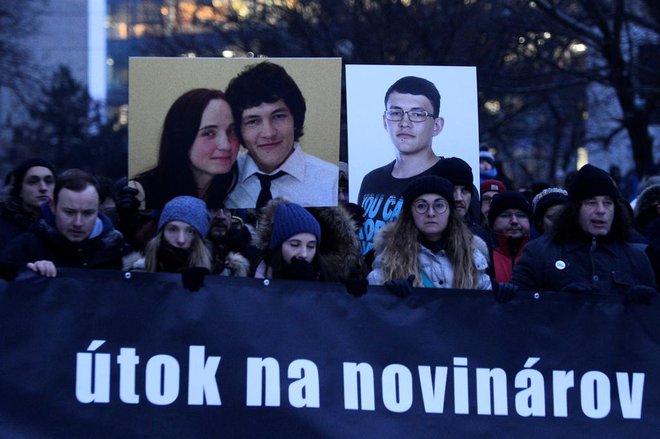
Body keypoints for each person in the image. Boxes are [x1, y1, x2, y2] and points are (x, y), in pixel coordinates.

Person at [512, 164, 656, 294]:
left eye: (607, 203)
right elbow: (516, 310)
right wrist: (558, 301)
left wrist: (642, 305)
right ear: (575, 209)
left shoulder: (636, 258)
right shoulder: (539, 253)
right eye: (591, 203)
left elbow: (651, 318)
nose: (601, 210)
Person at [224, 61, 338, 209]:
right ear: (238, 130)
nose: (269, 133)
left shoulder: (332, 182)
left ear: (295, 119)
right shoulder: (222, 178)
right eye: (253, 121)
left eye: (278, 116)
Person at [357, 76, 447, 255]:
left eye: (417, 114)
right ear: (384, 121)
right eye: (396, 113)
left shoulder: (448, 179)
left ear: (437, 126)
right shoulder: (371, 180)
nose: (404, 123)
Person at [367, 176, 491, 290]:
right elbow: (373, 306)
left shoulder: (472, 256)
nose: (431, 213)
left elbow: (484, 305)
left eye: (439, 205)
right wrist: (387, 293)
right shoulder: (390, 258)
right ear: (410, 213)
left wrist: (499, 299)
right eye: (421, 206)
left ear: (450, 211)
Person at [1, 169, 127, 277]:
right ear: (53, 206)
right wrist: (28, 271)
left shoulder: (112, 248)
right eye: (69, 212)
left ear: (98, 209)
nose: (78, 223)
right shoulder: (28, 246)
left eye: (88, 213)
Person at [129, 88, 240, 210]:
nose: (226, 145)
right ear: (181, 139)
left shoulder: (238, 189)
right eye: (209, 133)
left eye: (232, 130)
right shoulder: (139, 194)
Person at [253, 199, 338, 281]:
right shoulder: (254, 278)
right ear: (279, 246)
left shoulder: (329, 278)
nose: (304, 254)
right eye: (295, 244)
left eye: (311, 246)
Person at [139, 196, 214, 273]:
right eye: (173, 229)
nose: (181, 240)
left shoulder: (217, 277)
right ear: (162, 231)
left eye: (190, 231)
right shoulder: (137, 274)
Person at [0, 158, 56, 252]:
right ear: (19, 190)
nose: (43, 188)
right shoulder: (3, 228)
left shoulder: (64, 224)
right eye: (33, 182)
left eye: (48, 181)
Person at [488, 191, 532, 283]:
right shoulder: (482, 255)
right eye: (505, 215)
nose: (514, 221)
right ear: (493, 222)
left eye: (521, 215)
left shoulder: (538, 255)